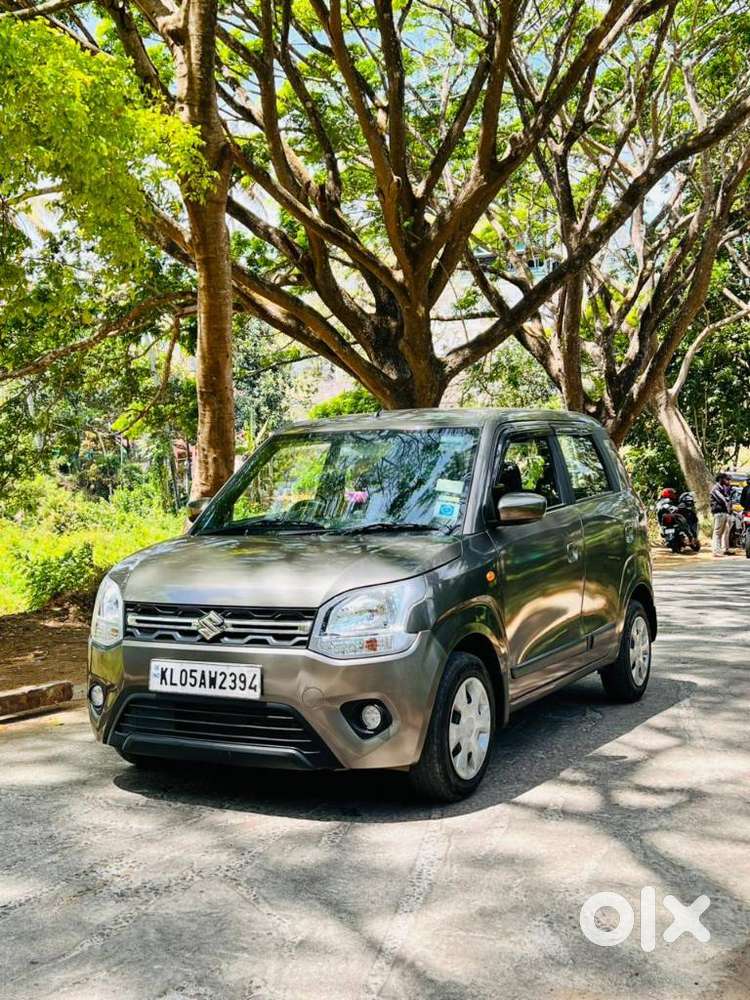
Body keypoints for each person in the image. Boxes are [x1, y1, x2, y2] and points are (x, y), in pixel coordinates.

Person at [710, 473, 733, 556]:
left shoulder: (722, 488)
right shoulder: (715, 489)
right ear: (720, 479)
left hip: (723, 512)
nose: (727, 481)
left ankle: (719, 550)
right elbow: (722, 500)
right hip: (718, 512)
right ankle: (716, 551)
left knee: (720, 533)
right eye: (725, 479)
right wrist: (727, 501)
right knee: (717, 533)